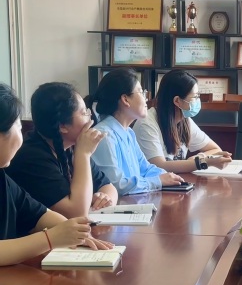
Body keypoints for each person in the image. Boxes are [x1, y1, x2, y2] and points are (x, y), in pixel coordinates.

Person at [0, 83, 112, 266]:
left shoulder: (3, 178)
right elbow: (74, 214)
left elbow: (38, 214)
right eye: (18, 127)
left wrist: (76, 233)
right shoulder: (31, 157)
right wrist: (50, 238)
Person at [6, 83, 118, 218]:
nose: (91, 118)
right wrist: (83, 155)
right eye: (84, 113)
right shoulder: (31, 157)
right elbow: (76, 213)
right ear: (63, 126)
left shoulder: (70, 146)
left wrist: (104, 199)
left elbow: (109, 187)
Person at [86, 68, 184, 195]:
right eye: (141, 92)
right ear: (125, 99)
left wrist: (169, 177)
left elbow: (145, 169)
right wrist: (158, 181)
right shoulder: (103, 136)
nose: (146, 99)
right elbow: (117, 185)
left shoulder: (128, 133)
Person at [132, 69, 231, 172]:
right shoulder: (146, 124)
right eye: (195, 96)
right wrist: (202, 162)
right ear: (177, 101)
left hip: (175, 180)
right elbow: (159, 167)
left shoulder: (185, 121)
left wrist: (198, 158)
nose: (198, 100)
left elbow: (215, 149)